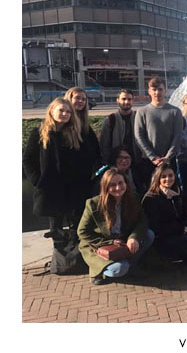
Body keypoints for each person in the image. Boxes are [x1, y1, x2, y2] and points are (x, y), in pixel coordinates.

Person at [77, 168, 154, 285]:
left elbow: (142, 221)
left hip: (123, 240)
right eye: (112, 185)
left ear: (126, 183)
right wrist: (110, 242)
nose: (118, 188)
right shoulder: (93, 204)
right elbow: (82, 232)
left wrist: (133, 237)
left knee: (149, 234)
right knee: (118, 269)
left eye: (120, 183)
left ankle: (130, 267)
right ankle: (99, 271)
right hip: (101, 244)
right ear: (105, 187)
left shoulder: (132, 198)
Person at [23, 97, 84, 239]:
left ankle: (72, 256)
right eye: (61, 110)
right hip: (50, 187)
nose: (65, 114)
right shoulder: (39, 133)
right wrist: (37, 180)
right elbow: (28, 159)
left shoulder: (72, 133)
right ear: (51, 111)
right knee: (55, 228)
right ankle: (59, 257)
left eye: (68, 112)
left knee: (74, 224)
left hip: (69, 187)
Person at [142, 164, 187, 265]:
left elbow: (186, 213)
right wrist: (181, 229)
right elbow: (155, 225)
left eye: (170, 175)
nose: (168, 179)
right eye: (163, 176)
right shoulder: (151, 198)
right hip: (162, 236)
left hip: (178, 230)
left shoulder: (177, 192)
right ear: (157, 178)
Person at [134, 77, 184, 183]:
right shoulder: (142, 111)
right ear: (149, 91)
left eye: (160, 89)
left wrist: (168, 157)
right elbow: (138, 136)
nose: (157, 92)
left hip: (169, 161)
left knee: (171, 191)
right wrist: (152, 157)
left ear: (165, 90)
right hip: (149, 161)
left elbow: (178, 136)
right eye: (154, 89)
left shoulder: (175, 112)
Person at [65, 86, 101, 211]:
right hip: (68, 176)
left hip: (84, 175)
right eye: (77, 98)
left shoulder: (84, 123)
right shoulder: (64, 122)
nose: (80, 101)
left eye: (83, 99)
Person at [99, 89, 141, 165]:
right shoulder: (110, 120)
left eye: (129, 99)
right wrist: (106, 164)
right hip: (116, 163)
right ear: (117, 100)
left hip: (136, 162)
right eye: (123, 99)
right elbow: (104, 146)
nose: (126, 102)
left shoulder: (139, 118)